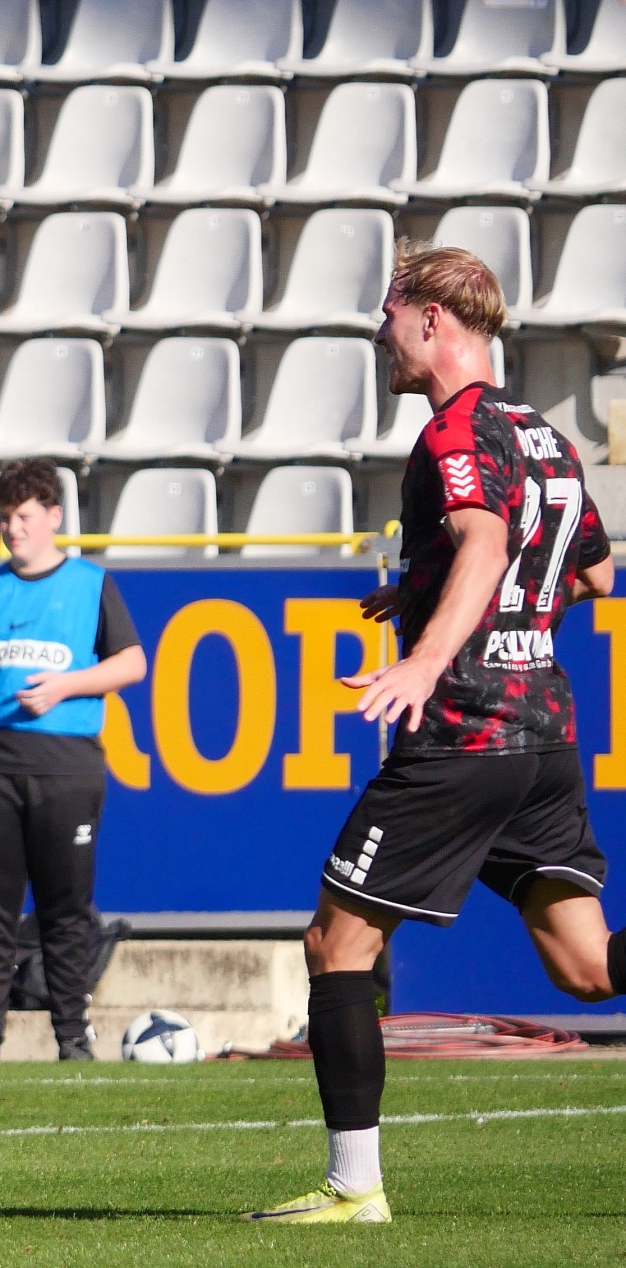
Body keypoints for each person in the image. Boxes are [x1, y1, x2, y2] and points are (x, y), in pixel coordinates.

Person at [248, 244, 620, 1225]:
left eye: (388, 314)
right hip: (544, 730)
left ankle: (353, 1187)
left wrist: (426, 658)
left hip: (463, 731)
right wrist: (424, 586)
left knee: (336, 943)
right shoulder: (545, 437)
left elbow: (487, 544)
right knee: (587, 967)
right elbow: (592, 574)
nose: (380, 333)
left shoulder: (453, 431)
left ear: (429, 319)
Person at [0, 460, 147, 1063]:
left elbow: (132, 662)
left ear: (53, 517)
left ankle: (72, 1035)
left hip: (66, 765)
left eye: (23, 516)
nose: (13, 529)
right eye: (4, 518)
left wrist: (66, 686)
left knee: (65, 908)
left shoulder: (90, 583)